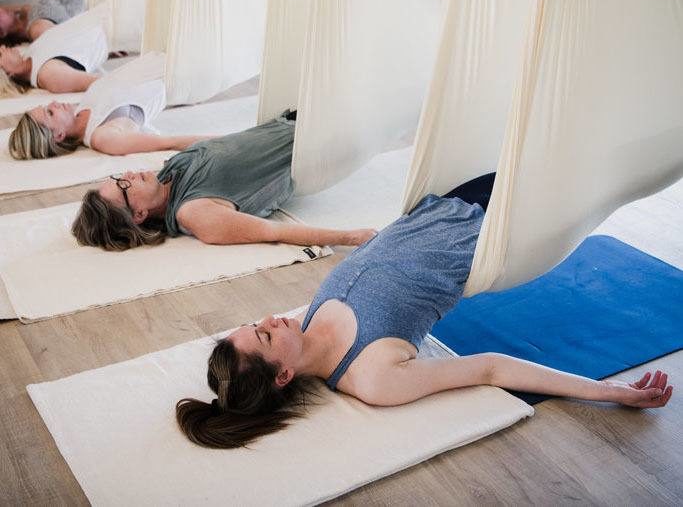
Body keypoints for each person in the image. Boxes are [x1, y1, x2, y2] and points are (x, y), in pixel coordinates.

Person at [175, 173, 674, 449]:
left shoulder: (305, 323)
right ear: (283, 375)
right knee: (616, 160)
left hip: (451, 199)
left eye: (254, 324)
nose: (267, 320)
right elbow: (492, 367)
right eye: (262, 336)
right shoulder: (371, 379)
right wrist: (609, 391)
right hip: (498, 226)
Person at [71, 109, 377, 252]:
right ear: (137, 214)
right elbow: (274, 230)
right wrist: (350, 237)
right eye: (124, 186)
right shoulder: (193, 212)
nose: (127, 175)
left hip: (299, 116)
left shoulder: (169, 173)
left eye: (118, 176)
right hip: (323, 139)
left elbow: (218, 142)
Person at [8, 53, 201, 160]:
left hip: (164, 54)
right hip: (186, 69)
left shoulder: (81, 110)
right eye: (50, 113)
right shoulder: (102, 137)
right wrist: (225, 142)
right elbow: (169, 143)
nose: (54, 103)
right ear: (58, 135)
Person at [0, 0, 102, 97]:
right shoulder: (49, 75)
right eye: (0, 55)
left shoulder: (32, 55)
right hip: (110, 25)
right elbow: (104, 83)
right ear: (8, 72)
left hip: (96, 12)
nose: (2, 48)